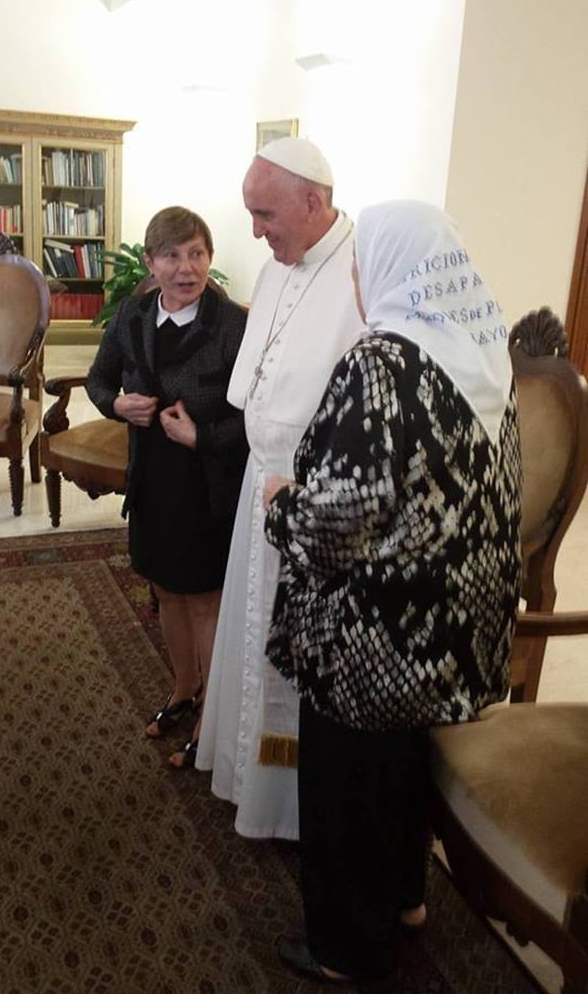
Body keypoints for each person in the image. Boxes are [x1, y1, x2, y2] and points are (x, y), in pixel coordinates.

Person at [261, 200, 523, 985]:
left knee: (348, 786)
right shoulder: (486, 354)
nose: (355, 279)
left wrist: (280, 501)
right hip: (458, 627)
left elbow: (334, 529)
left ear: (389, 268)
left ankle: (347, 944)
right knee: (404, 770)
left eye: (358, 265)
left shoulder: (380, 365)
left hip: (377, 639)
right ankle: (407, 896)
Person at [194, 137, 362, 835]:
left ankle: (290, 810)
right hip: (259, 489)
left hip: (316, 503)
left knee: (290, 659)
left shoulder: (361, 271)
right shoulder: (276, 269)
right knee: (249, 630)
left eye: (265, 214)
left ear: (313, 200)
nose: (256, 233)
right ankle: (242, 773)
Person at [87, 206, 248, 764]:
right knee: (167, 591)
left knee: (204, 600)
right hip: (152, 476)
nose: (188, 267)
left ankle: (212, 715)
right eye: (174, 255)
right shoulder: (133, 315)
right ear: (152, 263)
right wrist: (116, 404)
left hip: (207, 483)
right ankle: (184, 689)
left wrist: (201, 437)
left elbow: (257, 417)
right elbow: (99, 377)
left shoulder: (232, 325)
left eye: (198, 253)